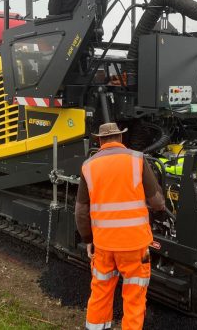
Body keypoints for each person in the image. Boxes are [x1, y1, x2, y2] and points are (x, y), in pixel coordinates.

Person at [75, 123, 165, 330]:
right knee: (134, 296)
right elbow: (158, 203)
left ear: (99, 141)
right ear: (121, 139)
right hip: (135, 245)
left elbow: (80, 211)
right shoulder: (137, 159)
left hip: (104, 245)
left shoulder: (88, 166)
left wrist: (88, 240)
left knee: (101, 290)